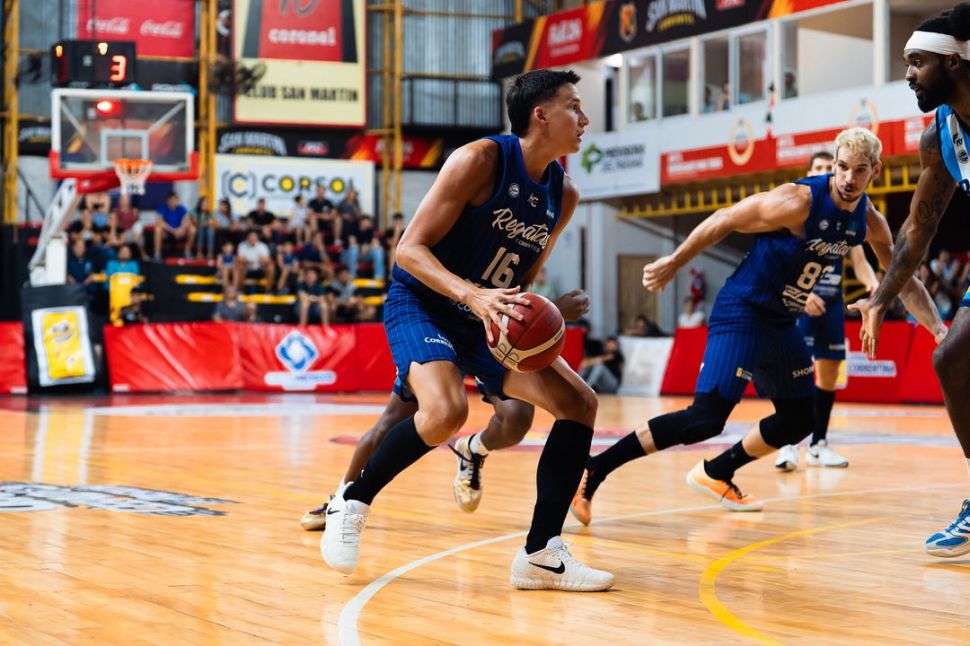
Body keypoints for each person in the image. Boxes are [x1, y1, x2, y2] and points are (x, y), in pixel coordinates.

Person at [320, 69, 614, 591]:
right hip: (424, 303)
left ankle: (541, 553)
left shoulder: (562, 194)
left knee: (579, 402)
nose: (584, 118)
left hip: (489, 318)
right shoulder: (479, 160)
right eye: (573, 106)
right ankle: (352, 501)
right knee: (444, 412)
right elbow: (408, 250)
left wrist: (547, 309)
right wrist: (472, 295)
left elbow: (521, 280)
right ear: (540, 115)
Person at [570, 127, 942, 526]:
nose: (849, 178)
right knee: (705, 420)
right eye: (842, 167)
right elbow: (724, 218)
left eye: (860, 170)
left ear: (876, 171)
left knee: (800, 419)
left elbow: (903, 277)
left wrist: (939, 330)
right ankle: (595, 467)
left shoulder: (869, 221)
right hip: (744, 311)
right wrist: (674, 262)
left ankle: (716, 472)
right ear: (834, 165)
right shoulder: (797, 201)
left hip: (781, 322)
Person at [301, 290, 591, 530]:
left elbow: (519, 297)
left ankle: (473, 450)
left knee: (517, 420)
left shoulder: (529, 243)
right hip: (437, 327)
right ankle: (341, 499)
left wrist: (552, 310)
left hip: (486, 336)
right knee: (391, 422)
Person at [853, 4, 970, 557]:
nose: (908, 74)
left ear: (954, 62)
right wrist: (880, 299)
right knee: (952, 357)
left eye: (917, 62)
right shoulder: (939, 136)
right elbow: (919, 228)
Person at [774, 151, 943, 470]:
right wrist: (801, 294)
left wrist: (874, 287)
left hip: (832, 304)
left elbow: (860, 261)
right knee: (793, 373)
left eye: (829, 168)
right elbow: (777, 261)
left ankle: (818, 443)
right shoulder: (798, 211)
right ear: (809, 173)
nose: (826, 173)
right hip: (800, 303)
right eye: (819, 168)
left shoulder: (845, 215)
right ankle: (787, 443)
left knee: (828, 373)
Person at [154, 192, 195, 260]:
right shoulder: (162, 208)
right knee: (158, 229)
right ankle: (157, 254)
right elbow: (159, 222)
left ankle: (187, 252)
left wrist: (181, 229)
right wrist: (173, 231)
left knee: (192, 229)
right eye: (171, 200)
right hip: (168, 232)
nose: (173, 202)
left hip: (179, 233)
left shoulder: (181, 208)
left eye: (175, 200)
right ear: (167, 201)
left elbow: (188, 221)